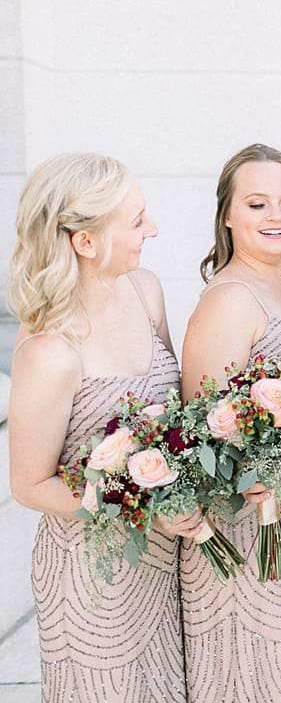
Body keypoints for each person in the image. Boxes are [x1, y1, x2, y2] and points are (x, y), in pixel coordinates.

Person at [8, 153, 188, 702]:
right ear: (85, 241)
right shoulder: (49, 351)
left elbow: (174, 415)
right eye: (135, 221)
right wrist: (143, 502)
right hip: (93, 574)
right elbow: (30, 484)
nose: (151, 230)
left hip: (164, 561)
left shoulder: (146, 291)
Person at [179, 144, 281, 702]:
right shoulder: (231, 298)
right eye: (258, 204)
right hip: (248, 530)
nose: (277, 216)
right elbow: (204, 427)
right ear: (228, 215)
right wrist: (250, 474)